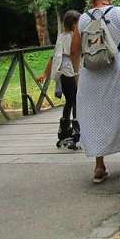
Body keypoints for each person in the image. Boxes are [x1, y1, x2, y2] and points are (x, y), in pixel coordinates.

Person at [71, 0, 120, 183]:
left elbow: (74, 51)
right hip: (118, 70)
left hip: (90, 75)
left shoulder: (82, 19)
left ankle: (99, 166)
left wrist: (78, 77)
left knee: (95, 118)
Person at [37, 10, 81, 148]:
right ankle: (76, 133)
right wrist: (77, 73)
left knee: (69, 101)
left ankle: (64, 131)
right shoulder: (73, 37)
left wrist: (45, 74)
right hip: (71, 72)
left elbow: (53, 57)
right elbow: (75, 54)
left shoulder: (61, 36)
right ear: (74, 24)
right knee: (76, 101)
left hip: (62, 73)